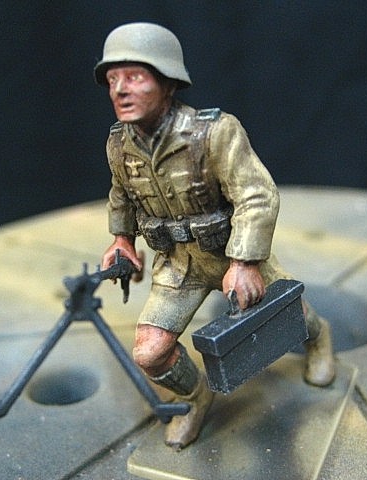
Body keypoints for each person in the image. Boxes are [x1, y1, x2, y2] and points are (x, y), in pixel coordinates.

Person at [96, 22, 335, 451]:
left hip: (229, 252)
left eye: (134, 77)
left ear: (167, 82)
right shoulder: (119, 145)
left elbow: (257, 196)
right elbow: (121, 197)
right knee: (150, 353)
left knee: (290, 313)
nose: (120, 90)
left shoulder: (214, 132)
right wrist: (122, 241)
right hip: (177, 264)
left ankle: (320, 340)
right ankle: (195, 398)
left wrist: (244, 261)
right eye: (113, 80)